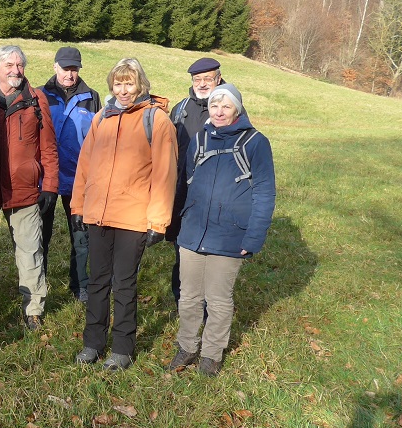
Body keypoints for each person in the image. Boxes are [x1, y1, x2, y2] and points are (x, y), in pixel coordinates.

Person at [72, 58, 176, 371]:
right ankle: (92, 343)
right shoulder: (102, 117)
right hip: (99, 215)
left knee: (124, 284)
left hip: (133, 218)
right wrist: (79, 205)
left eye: (129, 83)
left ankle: (122, 348)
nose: (123, 89)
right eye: (118, 83)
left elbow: (165, 174)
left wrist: (158, 221)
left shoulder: (156, 121)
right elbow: (85, 165)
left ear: (140, 84)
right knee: (97, 283)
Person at [168, 83, 275, 376]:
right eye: (215, 105)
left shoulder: (255, 142)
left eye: (226, 106)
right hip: (193, 233)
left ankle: (211, 355)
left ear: (237, 110)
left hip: (230, 235)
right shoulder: (200, 138)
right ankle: (187, 347)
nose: (219, 111)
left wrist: (253, 236)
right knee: (188, 296)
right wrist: (177, 224)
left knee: (217, 299)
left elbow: (265, 193)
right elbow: (185, 182)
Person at [0, 45, 58, 330]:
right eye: (9, 65)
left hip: (24, 189)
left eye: (20, 65)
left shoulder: (36, 99)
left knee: (30, 250)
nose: (16, 71)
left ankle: (33, 309)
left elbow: (49, 147)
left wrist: (50, 185)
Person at [39, 46, 99, 304]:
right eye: (65, 68)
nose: (69, 74)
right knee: (41, 234)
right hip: (46, 178)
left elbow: (99, 140)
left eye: (74, 69)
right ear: (55, 66)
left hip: (79, 180)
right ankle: (38, 283)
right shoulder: (40, 95)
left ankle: (80, 284)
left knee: (81, 236)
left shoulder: (92, 97)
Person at [168, 57, 223, 300]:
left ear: (218, 79)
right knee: (182, 247)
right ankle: (181, 297)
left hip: (213, 193)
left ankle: (207, 300)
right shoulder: (180, 109)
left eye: (207, 79)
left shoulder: (227, 108)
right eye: (197, 79)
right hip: (181, 192)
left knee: (210, 252)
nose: (202, 84)